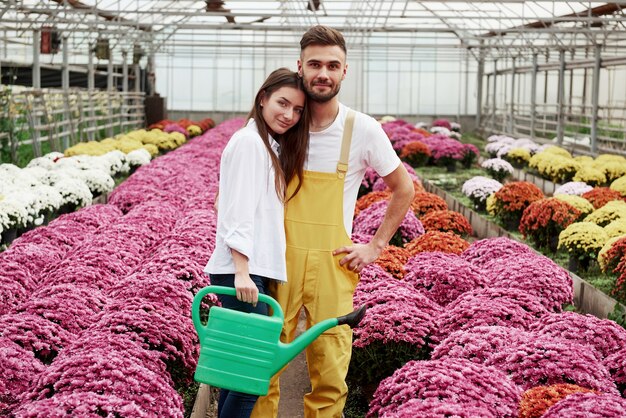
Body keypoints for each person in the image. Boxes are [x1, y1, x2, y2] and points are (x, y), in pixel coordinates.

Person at [251, 26, 415, 418]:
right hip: (278, 258)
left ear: (345, 72)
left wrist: (375, 246)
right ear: (300, 68)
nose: (323, 72)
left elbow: (404, 188)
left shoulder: (362, 129)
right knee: (265, 359)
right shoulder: (283, 124)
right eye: (314, 64)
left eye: (332, 65)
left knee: (330, 362)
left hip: (333, 261)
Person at [204, 67, 309, 418]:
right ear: (262, 98)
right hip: (242, 276)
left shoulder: (264, 145)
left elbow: (236, 201)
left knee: (239, 377)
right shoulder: (251, 143)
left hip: (245, 273)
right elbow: (239, 214)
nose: (289, 115)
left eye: (297, 110)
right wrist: (242, 271)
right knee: (250, 379)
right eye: (282, 103)